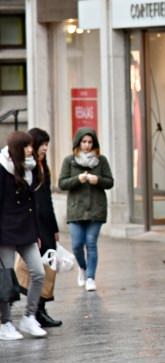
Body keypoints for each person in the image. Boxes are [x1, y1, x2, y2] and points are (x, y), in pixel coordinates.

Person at [0, 131, 48, 340]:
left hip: (27, 230)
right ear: (17, 148)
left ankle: (29, 317)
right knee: (6, 279)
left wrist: (37, 232)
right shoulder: (2, 169)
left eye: (31, 145)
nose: (31, 149)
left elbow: (33, 204)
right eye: (27, 146)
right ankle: (5, 323)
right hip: (6, 231)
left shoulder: (31, 168)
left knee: (39, 273)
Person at [58, 127, 114, 293]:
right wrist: (78, 179)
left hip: (96, 208)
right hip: (76, 210)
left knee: (91, 243)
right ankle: (82, 268)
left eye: (90, 142)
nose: (87, 145)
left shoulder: (101, 161)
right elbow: (62, 183)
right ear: (78, 143)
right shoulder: (70, 161)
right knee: (76, 245)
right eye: (84, 142)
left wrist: (98, 180)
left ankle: (90, 277)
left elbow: (110, 182)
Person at [29, 128, 62, 327]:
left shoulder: (43, 166)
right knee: (36, 269)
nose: (45, 148)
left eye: (47, 145)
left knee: (49, 265)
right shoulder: (28, 168)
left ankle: (41, 308)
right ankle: (33, 312)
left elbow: (47, 198)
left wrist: (55, 227)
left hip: (46, 223)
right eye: (42, 144)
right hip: (33, 223)